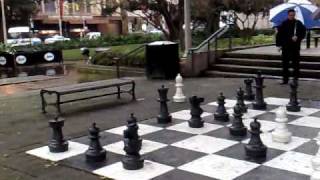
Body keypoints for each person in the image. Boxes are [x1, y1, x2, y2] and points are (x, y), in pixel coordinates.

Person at [276, 9, 306, 85]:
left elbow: (303, 33)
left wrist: (298, 37)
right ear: (288, 15)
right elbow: (279, 35)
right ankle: (285, 80)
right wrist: (279, 45)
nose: (292, 16)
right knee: (285, 65)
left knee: (296, 65)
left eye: (293, 15)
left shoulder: (298, 23)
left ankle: (295, 79)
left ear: (294, 15)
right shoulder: (284, 24)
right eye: (290, 15)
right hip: (286, 48)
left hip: (295, 48)